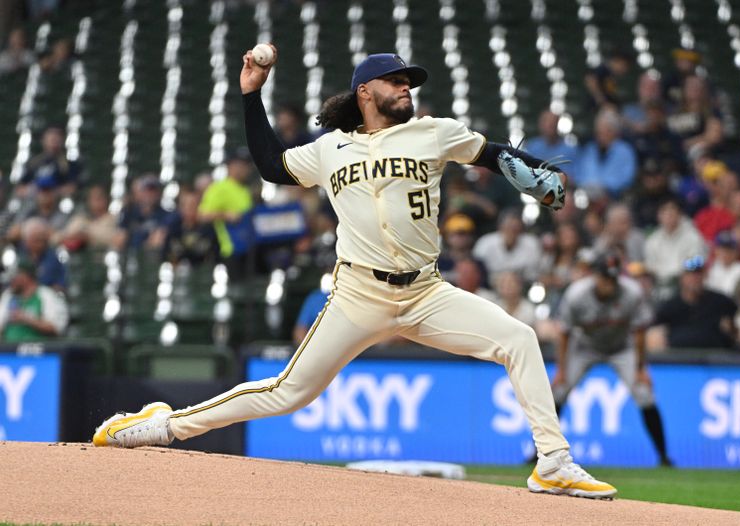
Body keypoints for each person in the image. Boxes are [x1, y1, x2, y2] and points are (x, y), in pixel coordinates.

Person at [92, 49, 616, 499]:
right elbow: (273, 166)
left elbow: (492, 154)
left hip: (427, 291)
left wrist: (534, 175)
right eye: (396, 80)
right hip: (359, 293)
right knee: (287, 393)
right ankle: (163, 425)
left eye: (409, 81)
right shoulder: (330, 149)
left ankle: (552, 463)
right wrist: (250, 95)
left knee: (519, 338)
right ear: (366, 91)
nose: (406, 88)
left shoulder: (435, 133)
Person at [553, 252, 672, 466]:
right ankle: (539, 454)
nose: (609, 283)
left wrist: (641, 368)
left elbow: (640, 332)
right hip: (585, 347)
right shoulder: (577, 295)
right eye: (605, 278)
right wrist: (561, 370)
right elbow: (564, 333)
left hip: (621, 348)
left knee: (644, 393)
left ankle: (663, 457)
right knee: (558, 392)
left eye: (613, 278)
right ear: (594, 276)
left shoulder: (631, 292)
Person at [654, 255, 738, 350]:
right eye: (690, 274)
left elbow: (738, 331)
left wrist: (732, 330)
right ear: (682, 277)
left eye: (698, 273)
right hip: (679, 360)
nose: (694, 278)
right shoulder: (669, 307)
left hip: (716, 360)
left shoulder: (722, 302)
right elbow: (654, 334)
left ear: (705, 275)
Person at [0, 259, 68, 342]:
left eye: (15, 276)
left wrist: (26, 319)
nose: (11, 280)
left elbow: (55, 328)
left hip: (40, 351)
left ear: (26, 277)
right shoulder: (8, 296)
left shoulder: (46, 295)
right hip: (9, 351)